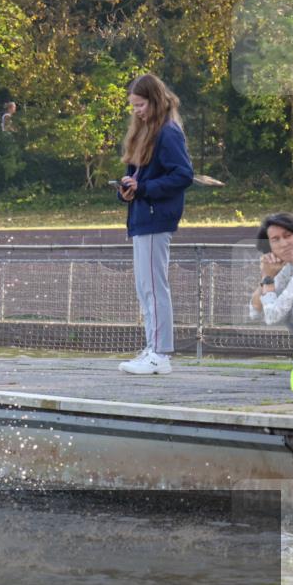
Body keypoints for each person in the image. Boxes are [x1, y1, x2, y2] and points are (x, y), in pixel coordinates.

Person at [116, 73, 193, 375]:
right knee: (145, 287)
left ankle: (160, 353)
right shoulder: (145, 132)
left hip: (155, 218)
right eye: (133, 106)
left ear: (155, 100)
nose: (137, 111)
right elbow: (139, 178)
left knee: (153, 286)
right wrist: (127, 190)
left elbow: (183, 175)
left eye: (141, 104)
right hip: (141, 216)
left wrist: (145, 190)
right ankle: (152, 348)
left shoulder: (168, 132)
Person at [250, 212, 293, 339]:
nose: (284, 244)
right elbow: (255, 311)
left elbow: (273, 317)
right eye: (275, 239)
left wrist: (268, 280)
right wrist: (266, 277)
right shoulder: (288, 269)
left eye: (288, 235)